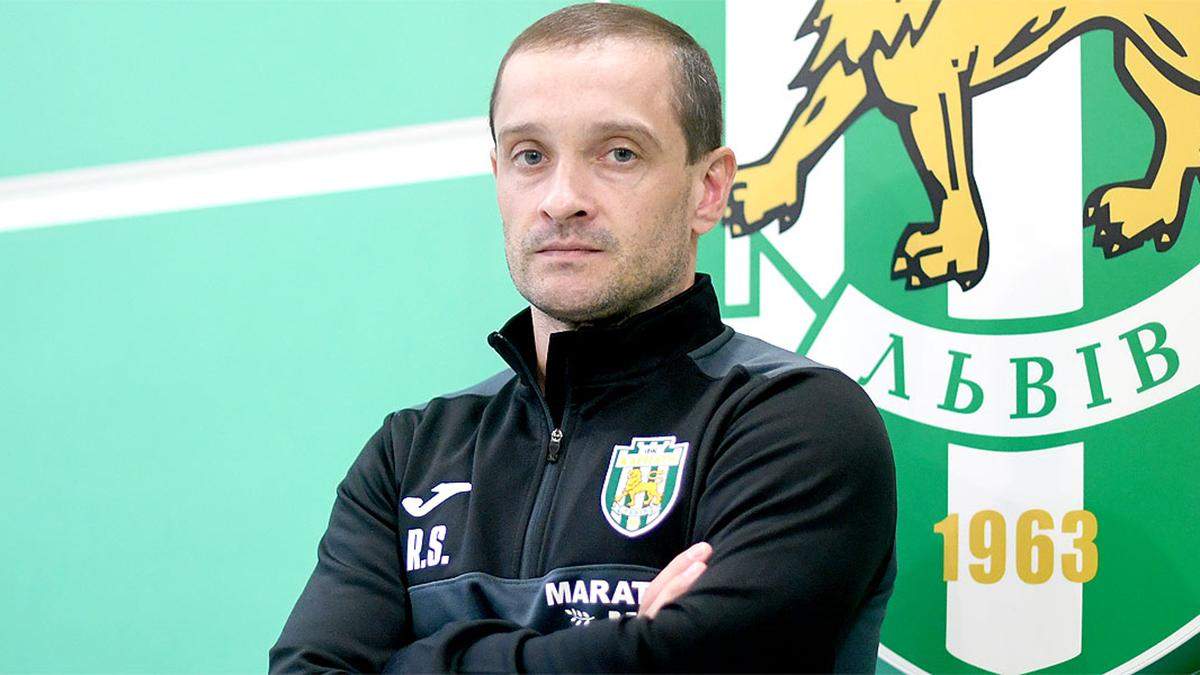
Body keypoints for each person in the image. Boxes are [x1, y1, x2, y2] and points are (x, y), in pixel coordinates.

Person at [269, 3, 896, 672]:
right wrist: (631, 646)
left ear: (709, 189)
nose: (561, 197)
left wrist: (411, 661)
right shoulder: (411, 454)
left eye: (619, 153)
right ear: (499, 178)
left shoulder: (791, 421)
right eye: (530, 156)